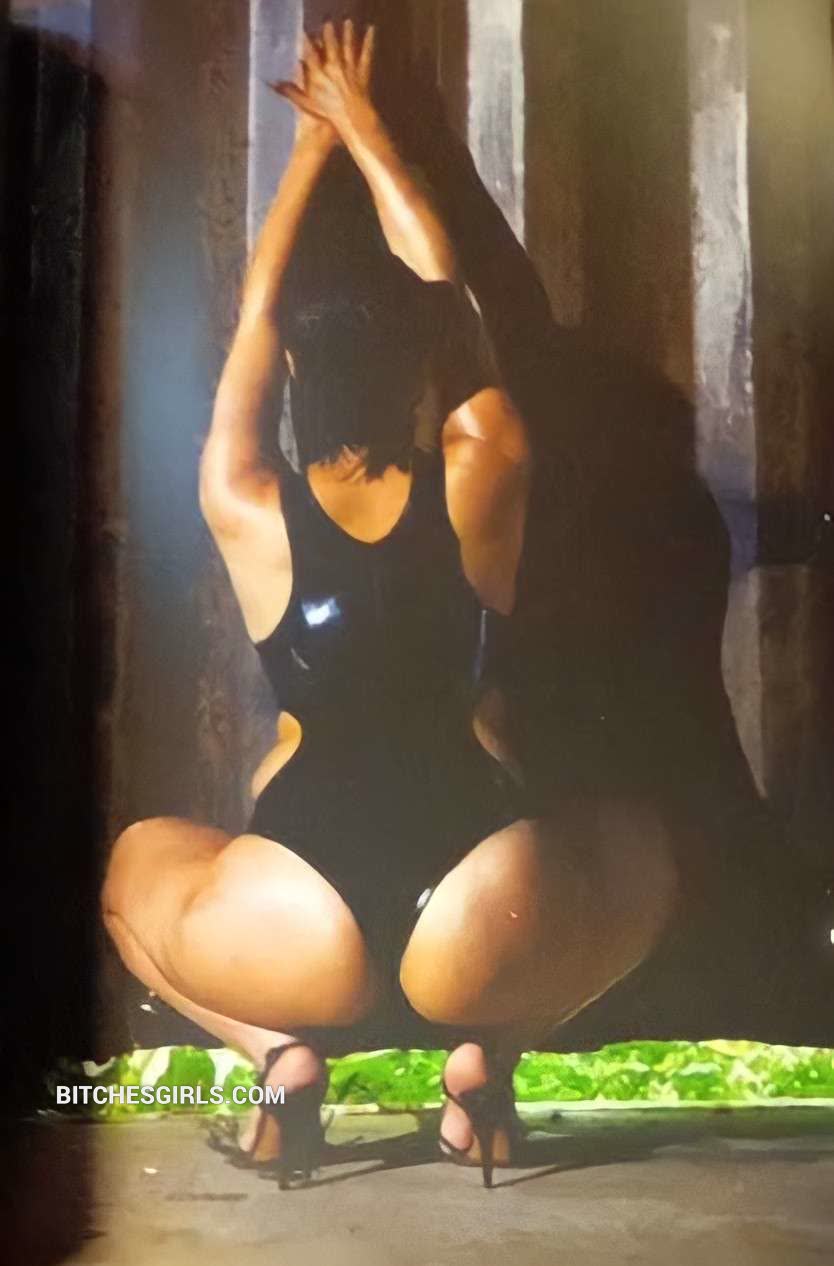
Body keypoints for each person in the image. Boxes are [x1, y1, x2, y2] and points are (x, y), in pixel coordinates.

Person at [101, 21, 679, 1190]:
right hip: (479, 912)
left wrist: (309, 147)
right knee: (648, 855)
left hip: (298, 922)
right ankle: (487, 1060)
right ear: (424, 363)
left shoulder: (247, 500)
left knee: (129, 872)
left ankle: (278, 1060)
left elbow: (255, 321)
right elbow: (451, 308)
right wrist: (369, 130)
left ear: (294, 372)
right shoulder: (483, 471)